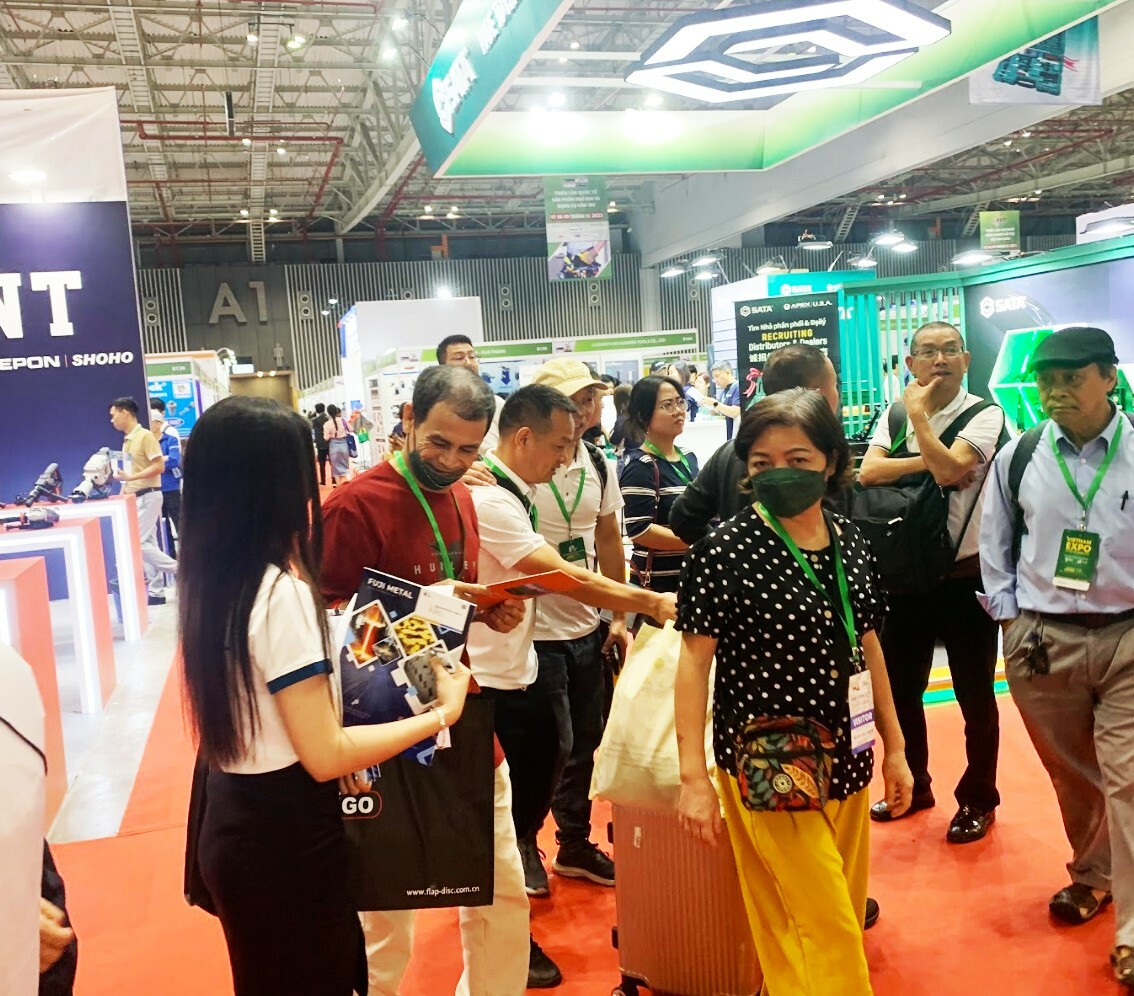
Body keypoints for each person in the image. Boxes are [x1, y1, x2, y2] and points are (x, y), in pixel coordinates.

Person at [179, 395, 473, 996]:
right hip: (282, 836)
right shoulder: (279, 592)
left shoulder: (210, 582)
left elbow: (281, 725)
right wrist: (444, 711)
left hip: (233, 814)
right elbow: (326, 753)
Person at [675, 388, 913, 996]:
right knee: (825, 926)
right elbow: (694, 665)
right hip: (771, 760)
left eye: (798, 459)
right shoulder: (723, 551)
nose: (779, 472)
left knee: (818, 917)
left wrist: (897, 748)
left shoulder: (851, 540)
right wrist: (693, 778)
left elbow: (870, 648)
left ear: (830, 462)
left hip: (851, 753)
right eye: (762, 462)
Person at [321, 365, 532, 996]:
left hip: (462, 720)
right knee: (384, 910)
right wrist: (423, 607)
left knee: (501, 888)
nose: (451, 461)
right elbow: (329, 628)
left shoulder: (465, 496)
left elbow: (447, 609)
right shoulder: (354, 506)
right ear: (409, 418)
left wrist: (483, 610)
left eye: (468, 449)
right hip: (379, 734)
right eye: (439, 443)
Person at [468, 384, 677, 986]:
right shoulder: (491, 497)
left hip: (516, 663)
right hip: (487, 679)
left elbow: (597, 546)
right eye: (560, 444)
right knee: (506, 811)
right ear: (522, 436)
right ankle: (507, 935)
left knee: (559, 754)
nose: (567, 457)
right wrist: (645, 601)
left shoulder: (517, 487)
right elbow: (561, 574)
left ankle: (526, 897)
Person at [979, 327, 1134, 987]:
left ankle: (1131, 933)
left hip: (1129, 635)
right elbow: (995, 539)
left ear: (1108, 378)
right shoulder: (1019, 455)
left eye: (1072, 378)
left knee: (1128, 779)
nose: (1056, 391)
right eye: (1047, 380)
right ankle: (1094, 874)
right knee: (1073, 773)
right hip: (1043, 641)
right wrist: (1011, 620)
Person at [858, 322, 1005, 843]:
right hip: (903, 579)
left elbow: (948, 472)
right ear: (910, 363)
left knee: (975, 696)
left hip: (965, 578)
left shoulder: (985, 414)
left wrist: (921, 425)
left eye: (949, 350)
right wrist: (937, 458)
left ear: (966, 359)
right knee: (901, 692)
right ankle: (915, 784)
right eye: (927, 351)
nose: (939, 359)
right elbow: (868, 473)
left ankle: (978, 799)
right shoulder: (894, 412)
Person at [519, 360, 628, 901]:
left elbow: (607, 539)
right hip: (531, 631)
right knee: (547, 746)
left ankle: (574, 843)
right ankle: (523, 843)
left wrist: (619, 615)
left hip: (587, 625)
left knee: (586, 741)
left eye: (591, 399)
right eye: (574, 400)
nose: (584, 411)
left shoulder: (598, 463)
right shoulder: (515, 467)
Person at [670, 345, 841, 545]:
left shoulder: (730, 452)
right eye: (762, 463)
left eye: (797, 459)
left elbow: (683, 518)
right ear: (817, 395)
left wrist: (725, 547)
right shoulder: (824, 452)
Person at [620, 375, 700, 599]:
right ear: (643, 416)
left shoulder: (688, 457)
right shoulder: (640, 466)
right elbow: (640, 530)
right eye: (667, 405)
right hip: (659, 586)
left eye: (680, 402)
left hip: (693, 578)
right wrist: (698, 542)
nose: (678, 411)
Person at [110, 397, 178, 606]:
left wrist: (131, 478)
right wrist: (123, 492)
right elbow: (130, 471)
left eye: (113, 415)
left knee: (137, 543)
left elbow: (158, 466)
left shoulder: (145, 436)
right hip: (136, 497)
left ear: (125, 413)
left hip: (148, 496)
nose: (112, 420)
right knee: (148, 544)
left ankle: (182, 570)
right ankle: (156, 592)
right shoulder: (128, 440)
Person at [438, 334, 504, 455]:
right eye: (459, 358)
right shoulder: (437, 407)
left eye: (472, 356)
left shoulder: (497, 404)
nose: (468, 363)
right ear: (443, 367)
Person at [149, 398, 183, 558]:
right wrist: (163, 459)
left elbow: (175, 460)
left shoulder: (170, 438)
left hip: (171, 487)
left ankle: (188, 555)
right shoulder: (147, 441)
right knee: (162, 525)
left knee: (179, 522)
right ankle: (170, 556)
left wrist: (155, 462)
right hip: (154, 489)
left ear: (158, 423)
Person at [702, 360, 743, 439]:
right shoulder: (724, 391)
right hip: (726, 435)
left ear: (728, 373)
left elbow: (734, 412)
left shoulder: (738, 387)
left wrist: (715, 403)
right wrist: (709, 406)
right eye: (713, 378)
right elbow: (720, 412)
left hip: (737, 435)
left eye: (717, 376)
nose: (715, 381)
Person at [324, 404, 351, 486]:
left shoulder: (327, 424)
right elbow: (351, 429)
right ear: (337, 411)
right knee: (345, 467)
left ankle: (339, 488)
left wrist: (331, 435)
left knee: (335, 468)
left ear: (328, 413)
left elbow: (326, 438)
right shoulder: (343, 421)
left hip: (333, 445)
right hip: (343, 444)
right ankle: (351, 483)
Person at [312, 403, 331, 485]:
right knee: (332, 463)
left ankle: (323, 481)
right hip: (329, 443)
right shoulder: (329, 418)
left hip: (320, 444)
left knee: (322, 464)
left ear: (316, 410)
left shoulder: (315, 420)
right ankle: (334, 480)